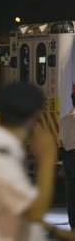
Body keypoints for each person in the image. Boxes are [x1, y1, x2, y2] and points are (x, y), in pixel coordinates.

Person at [0, 82, 75, 241]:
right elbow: (33, 211)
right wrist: (45, 159)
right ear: (31, 117)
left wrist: (59, 234)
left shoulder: (1, 148)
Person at [60, 92, 75, 231]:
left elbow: (61, 141)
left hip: (67, 158)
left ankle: (73, 225)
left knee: (70, 193)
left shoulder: (64, 120)